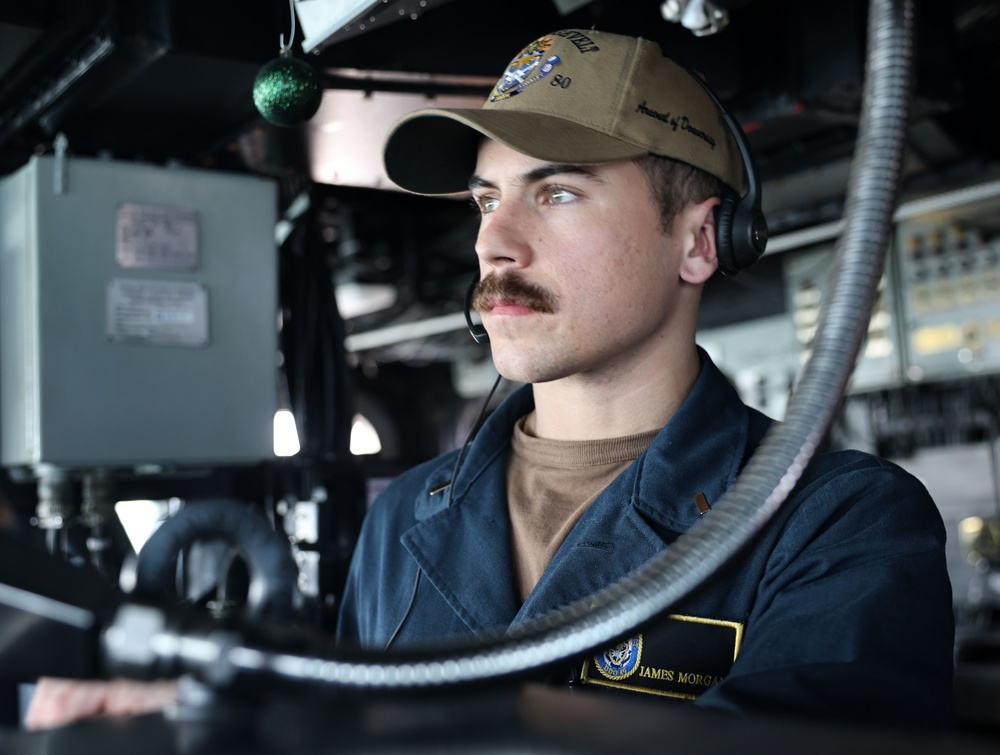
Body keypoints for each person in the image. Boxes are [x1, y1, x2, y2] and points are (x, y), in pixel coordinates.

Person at [25, 28, 954, 731]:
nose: (493, 243)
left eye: (556, 192)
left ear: (700, 239)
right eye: (485, 197)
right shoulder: (404, 518)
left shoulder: (837, 525)